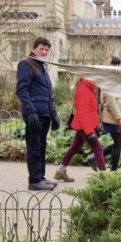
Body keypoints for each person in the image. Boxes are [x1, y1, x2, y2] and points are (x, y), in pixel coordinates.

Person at [15, 37, 61, 191]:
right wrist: (31, 111)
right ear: (34, 48)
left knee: (41, 147)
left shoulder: (41, 67)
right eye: (41, 49)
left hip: (44, 113)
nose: (44, 52)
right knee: (34, 147)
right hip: (34, 114)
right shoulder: (26, 64)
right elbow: (22, 89)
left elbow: (48, 94)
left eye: (47, 50)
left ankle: (40, 176)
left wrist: (53, 115)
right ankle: (34, 180)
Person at [55, 76, 107, 181]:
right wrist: (89, 132)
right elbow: (83, 113)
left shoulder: (87, 89)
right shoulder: (84, 90)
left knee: (74, 147)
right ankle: (104, 177)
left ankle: (60, 170)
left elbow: (89, 111)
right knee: (98, 148)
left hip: (83, 124)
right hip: (84, 125)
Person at [99, 56, 121, 171]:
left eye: (118, 64)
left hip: (115, 116)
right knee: (119, 143)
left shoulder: (114, 79)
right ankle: (114, 171)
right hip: (113, 117)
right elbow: (111, 101)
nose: (116, 66)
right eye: (113, 64)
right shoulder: (109, 80)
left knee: (119, 143)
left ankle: (96, 157)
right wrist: (120, 119)